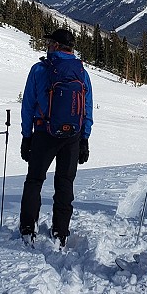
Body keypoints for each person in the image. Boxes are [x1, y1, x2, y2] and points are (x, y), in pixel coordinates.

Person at [19, 28, 93, 246]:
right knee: (65, 182)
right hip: (72, 135)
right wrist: (84, 138)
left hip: (44, 132)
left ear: (56, 46)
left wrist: (26, 136)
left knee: (34, 180)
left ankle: (27, 228)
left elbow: (28, 105)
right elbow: (86, 108)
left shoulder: (40, 70)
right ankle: (61, 231)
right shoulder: (81, 72)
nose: (47, 45)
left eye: (50, 42)